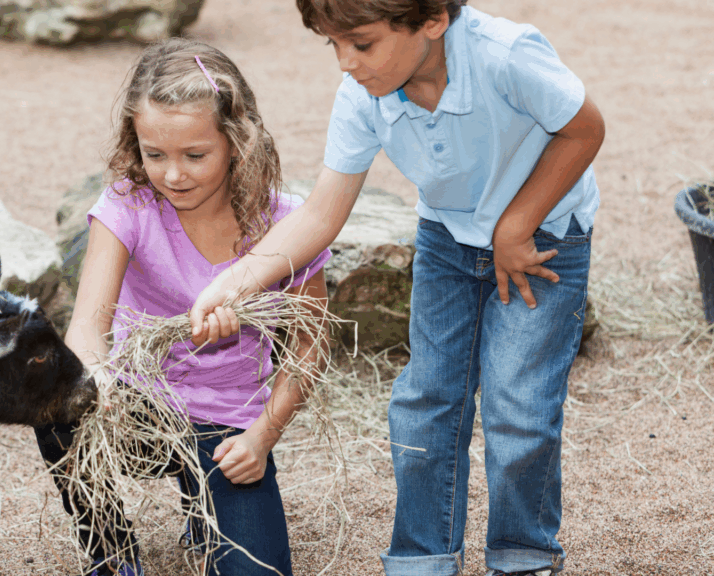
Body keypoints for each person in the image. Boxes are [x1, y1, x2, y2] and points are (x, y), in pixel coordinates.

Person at [187, 1, 605, 575]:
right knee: (424, 402)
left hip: (543, 241)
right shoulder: (363, 95)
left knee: (518, 408)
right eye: (332, 45)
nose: (345, 63)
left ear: (432, 19)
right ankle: (423, 558)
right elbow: (320, 214)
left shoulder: (505, 56)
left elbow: (585, 128)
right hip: (447, 239)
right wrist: (232, 283)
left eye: (360, 44)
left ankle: (523, 554)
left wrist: (515, 224)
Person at [34, 37, 333, 576]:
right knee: (56, 400)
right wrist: (96, 381)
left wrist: (262, 437)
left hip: (230, 423)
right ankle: (111, 551)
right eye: (155, 154)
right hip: (137, 403)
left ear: (238, 142)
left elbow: (311, 346)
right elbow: (86, 328)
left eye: (195, 155)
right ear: (136, 143)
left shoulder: (287, 223)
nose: (173, 174)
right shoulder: (128, 207)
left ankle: (205, 498)